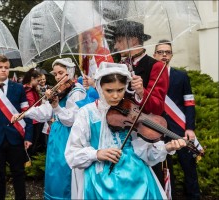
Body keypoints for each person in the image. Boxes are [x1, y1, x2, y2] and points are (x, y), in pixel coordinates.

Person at [65, 62, 186, 199]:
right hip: (99, 179)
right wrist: (97, 154)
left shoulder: (130, 110)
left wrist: (166, 147)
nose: (116, 96)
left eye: (120, 90)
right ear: (99, 87)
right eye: (109, 91)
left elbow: (143, 151)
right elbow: (72, 153)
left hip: (136, 176)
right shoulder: (87, 113)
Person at [11, 58, 86, 200]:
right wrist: (24, 114)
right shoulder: (59, 91)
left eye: (61, 73)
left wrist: (56, 106)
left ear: (70, 72)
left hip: (70, 135)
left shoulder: (77, 91)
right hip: (57, 134)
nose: (57, 77)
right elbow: (45, 111)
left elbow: (71, 120)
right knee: (55, 169)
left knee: (65, 171)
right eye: (56, 74)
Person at [112, 20, 169, 187]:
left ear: (133, 40)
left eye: (119, 41)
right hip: (122, 131)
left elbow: (158, 107)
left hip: (147, 132)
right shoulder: (118, 66)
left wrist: (142, 92)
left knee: (151, 181)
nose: (116, 46)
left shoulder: (157, 66)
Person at [0, 55, 33, 200]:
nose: (4, 70)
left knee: (19, 174)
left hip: (15, 137)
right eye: (0, 67)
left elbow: (26, 113)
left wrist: (28, 136)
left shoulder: (19, 88)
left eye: (6, 67)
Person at [153, 40, 201, 199]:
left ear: (171, 55)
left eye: (167, 52)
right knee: (166, 171)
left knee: (189, 169)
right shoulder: (149, 78)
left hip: (181, 131)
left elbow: (189, 103)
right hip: (159, 131)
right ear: (154, 55)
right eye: (160, 52)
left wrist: (190, 128)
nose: (164, 55)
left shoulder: (181, 76)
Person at [22, 68, 46, 155]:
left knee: (35, 142)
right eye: (38, 80)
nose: (39, 82)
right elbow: (32, 106)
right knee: (32, 142)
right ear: (32, 79)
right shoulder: (28, 90)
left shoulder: (33, 89)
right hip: (33, 120)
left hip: (36, 119)